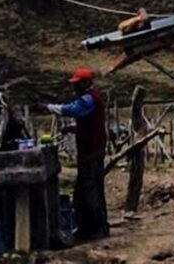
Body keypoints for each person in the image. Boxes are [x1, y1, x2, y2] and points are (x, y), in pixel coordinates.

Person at [47, 67, 109, 240]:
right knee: (91, 189)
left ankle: (95, 228)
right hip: (94, 150)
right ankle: (93, 227)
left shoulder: (88, 99)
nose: (74, 88)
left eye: (77, 84)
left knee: (88, 192)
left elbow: (74, 110)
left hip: (90, 152)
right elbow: (89, 121)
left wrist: (50, 108)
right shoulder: (92, 97)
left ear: (84, 83)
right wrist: (74, 128)